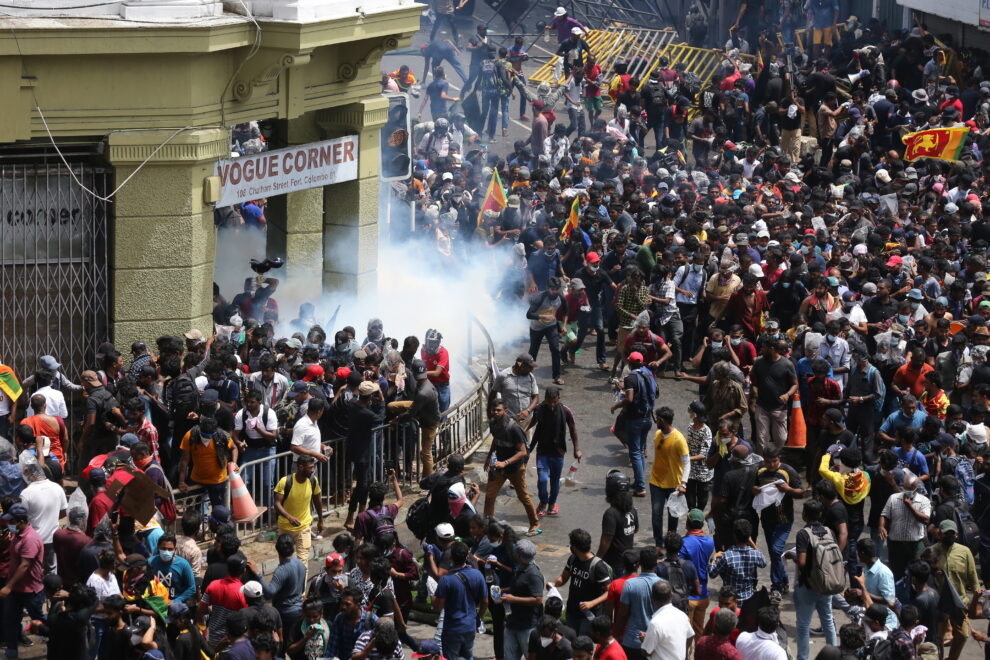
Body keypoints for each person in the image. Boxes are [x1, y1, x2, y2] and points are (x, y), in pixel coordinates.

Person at [484, 400, 540, 536]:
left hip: (515, 467)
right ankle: (488, 525)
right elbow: (496, 441)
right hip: (499, 467)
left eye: (498, 410)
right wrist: (489, 457)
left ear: (505, 411)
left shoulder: (513, 428)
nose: (495, 413)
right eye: (493, 410)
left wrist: (506, 463)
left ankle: (535, 523)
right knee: (490, 496)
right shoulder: (493, 424)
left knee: (523, 496)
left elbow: (523, 452)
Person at [791, 499, 838, 660]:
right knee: (828, 621)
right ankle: (834, 655)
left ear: (804, 515)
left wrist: (793, 557)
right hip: (826, 583)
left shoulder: (803, 534)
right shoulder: (829, 531)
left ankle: (803, 658)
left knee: (803, 625)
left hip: (809, 584)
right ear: (820, 514)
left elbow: (803, 562)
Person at [929, 519, 982, 660]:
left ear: (956, 535)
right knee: (938, 638)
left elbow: (972, 576)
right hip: (940, 603)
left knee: (963, 635)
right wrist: (934, 573)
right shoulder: (932, 551)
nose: (949, 536)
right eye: (946, 533)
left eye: (952, 533)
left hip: (959, 601)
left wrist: (977, 600)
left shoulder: (964, 552)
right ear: (940, 534)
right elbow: (925, 574)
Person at [756, 447, 804, 594]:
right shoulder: (759, 471)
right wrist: (754, 490)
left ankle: (776, 585)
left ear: (779, 459)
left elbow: (800, 493)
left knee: (777, 550)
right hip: (767, 518)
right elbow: (752, 486)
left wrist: (787, 490)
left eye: (774, 461)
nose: (771, 465)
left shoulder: (788, 471)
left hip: (784, 519)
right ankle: (783, 580)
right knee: (773, 552)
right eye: (768, 462)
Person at [0, 503, 45, 660]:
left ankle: (56, 641)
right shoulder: (17, 535)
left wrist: (8, 586)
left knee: (40, 620)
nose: (9, 524)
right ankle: (11, 652)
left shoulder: (30, 539)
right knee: (10, 621)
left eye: (11, 521)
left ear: (20, 521)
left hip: (30, 591)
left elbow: (25, 565)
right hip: (16, 591)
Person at [527, 385, 581, 517]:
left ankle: (552, 504)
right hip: (543, 451)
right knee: (542, 480)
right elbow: (533, 422)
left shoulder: (566, 411)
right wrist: (523, 432)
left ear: (559, 399)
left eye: (554, 401)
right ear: (545, 399)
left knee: (554, 481)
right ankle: (543, 501)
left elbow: (573, 430)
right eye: (549, 401)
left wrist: (577, 449)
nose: (551, 404)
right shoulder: (539, 409)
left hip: (558, 452)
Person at [611, 351, 657, 497]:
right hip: (648, 417)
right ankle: (639, 482)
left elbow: (630, 399)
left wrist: (616, 406)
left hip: (635, 419)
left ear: (629, 363)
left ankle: (641, 487)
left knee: (635, 452)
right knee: (641, 450)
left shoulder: (631, 377)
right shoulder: (648, 373)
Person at [433, 541, 487, 660]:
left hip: (452, 628)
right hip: (470, 626)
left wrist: (433, 598)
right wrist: (480, 617)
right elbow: (485, 601)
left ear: (451, 557)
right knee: (468, 656)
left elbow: (437, 608)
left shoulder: (446, 580)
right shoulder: (478, 575)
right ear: (467, 556)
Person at [554, 528, 611, 638]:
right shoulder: (573, 559)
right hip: (572, 611)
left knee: (582, 645)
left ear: (574, 547)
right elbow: (563, 578)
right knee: (570, 641)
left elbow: (610, 591)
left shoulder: (597, 566)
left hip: (588, 615)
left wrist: (592, 603)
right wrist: (554, 584)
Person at [274, 455, 324, 579]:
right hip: (285, 528)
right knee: (285, 562)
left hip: (304, 527)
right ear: (300, 467)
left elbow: (317, 501)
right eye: (310, 468)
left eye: (313, 467)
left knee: (303, 562)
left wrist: (321, 520)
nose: (312, 470)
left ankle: (300, 594)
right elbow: (277, 503)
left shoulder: (313, 481)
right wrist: (289, 517)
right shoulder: (285, 481)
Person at [649, 406, 689, 546]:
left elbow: (687, 462)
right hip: (656, 482)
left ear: (662, 420)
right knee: (656, 514)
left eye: (657, 420)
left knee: (673, 515)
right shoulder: (657, 435)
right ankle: (659, 544)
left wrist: (683, 483)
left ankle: (671, 542)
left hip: (673, 484)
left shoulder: (679, 439)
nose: (656, 423)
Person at [18, 460, 67, 575]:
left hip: (33, 539)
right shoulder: (57, 488)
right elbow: (63, 513)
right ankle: (52, 591)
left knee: (32, 569)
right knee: (51, 569)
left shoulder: (26, 493)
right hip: (52, 537)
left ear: (31, 474)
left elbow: (22, 518)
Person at [880, 473, 931, 581]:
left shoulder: (924, 501)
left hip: (915, 546)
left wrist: (910, 506)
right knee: (895, 574)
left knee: (915, 576)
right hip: (896, 545)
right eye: (906, 488)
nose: (907, 491)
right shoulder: (893, 498)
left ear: (916, 488)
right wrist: (881, 526)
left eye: (910, 488)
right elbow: (884, 514)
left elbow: (926, 519)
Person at [177, 415, 238, 506]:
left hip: (218, 481)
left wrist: (234, 463)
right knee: (194, 509)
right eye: (204, 435)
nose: (207, 437)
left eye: (210, 435)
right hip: (197, 479)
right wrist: (181, 481)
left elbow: (234, 448)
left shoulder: (223, 435)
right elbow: (184, 460)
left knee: (218, 510)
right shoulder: (190, 436)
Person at [750, 339, 797, 453]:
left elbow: (795, 384)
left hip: (779, 408)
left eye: (763, 347)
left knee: (781, 439)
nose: (761, 350)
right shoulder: (759, 362)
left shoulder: (787, 364)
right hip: (762, 406)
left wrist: (787, 394)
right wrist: (752, 399)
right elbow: (753, 380)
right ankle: (762, 463)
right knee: (761, 439)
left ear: (771, 349)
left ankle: (776, 460)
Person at [501, 539, 544, 660]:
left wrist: (513, 599)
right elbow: (519, 587)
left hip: (527, 627)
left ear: (519, 555)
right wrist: (505, 590)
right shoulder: (519, 568)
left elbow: (538, 599)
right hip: (512, 623)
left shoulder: (534, 574)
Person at [615, 546, 662, 658]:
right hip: (655, 640)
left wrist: (615, 634)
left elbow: (622, 615)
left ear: (640, 563)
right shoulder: (663, 584)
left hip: (632, 640)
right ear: (656, 563)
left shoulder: (630, 584)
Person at [709, 519, 766, 605]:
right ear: (749, 536)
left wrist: (714, 558)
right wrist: (753, 544)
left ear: (734, 536)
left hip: (730, 602)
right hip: (748, 599)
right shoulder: (755, 554)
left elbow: (712, 574)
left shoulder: (727, 556)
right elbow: (763, 562)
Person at [526, 276, 566, 385]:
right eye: (553, 289)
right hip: (537, 328)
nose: (555, 291)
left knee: (555, 349)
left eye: (557, 289)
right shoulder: (539, 298)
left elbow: (565, 311)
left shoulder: (560, 297)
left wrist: (564, 325)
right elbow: (529, 315)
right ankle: (527, 375)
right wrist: (544, 316)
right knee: (533, 352)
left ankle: (556, 376)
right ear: (548, 288)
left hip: (551, 326)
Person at [640, 581, 694, 660]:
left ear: (653, 599)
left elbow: (646, 652)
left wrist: (645, 640)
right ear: (671, 596)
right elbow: (690, 635)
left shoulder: (655, 623)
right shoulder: (682, 615)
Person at [147, 533, 195, 604]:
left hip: (175, 606)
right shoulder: (150, 562)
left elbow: (191, 588)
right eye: (163, 548)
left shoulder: (183, 565)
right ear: (158, 548)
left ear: (175, 549)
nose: (166, 552)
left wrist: (175, 601)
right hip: (155, 604)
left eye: (170, 549)